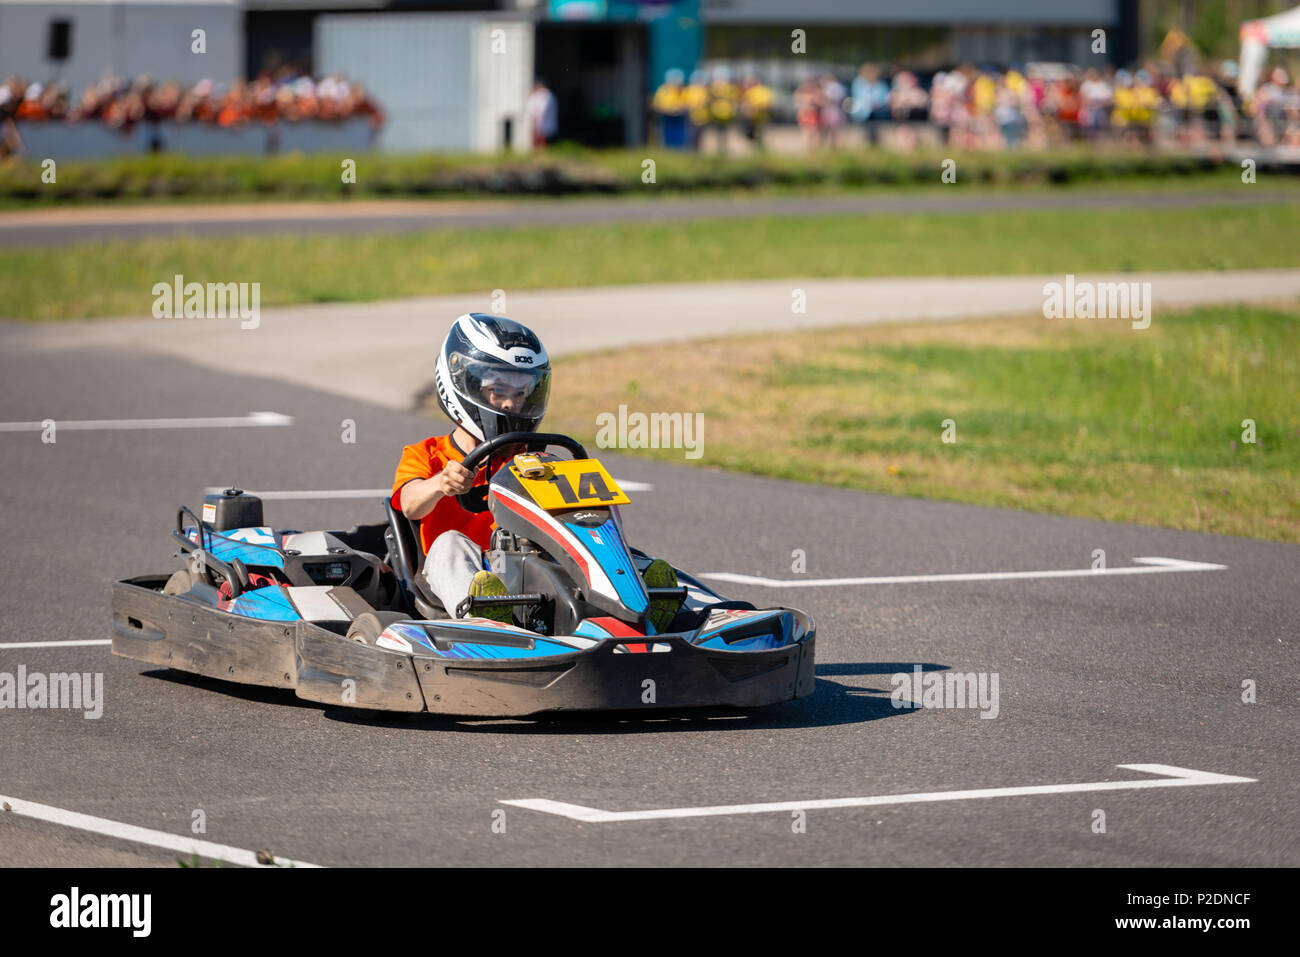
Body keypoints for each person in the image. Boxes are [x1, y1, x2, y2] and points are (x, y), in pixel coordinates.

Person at [391, 314, 682, 631]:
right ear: (465, 385)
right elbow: (409, 504)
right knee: (448, 544)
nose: (510, 404)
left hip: (523, 567)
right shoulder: (427, 453)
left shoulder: (533, 458)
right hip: (459, 571)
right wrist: (440, 484)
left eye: (520, 394)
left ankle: (643, 598)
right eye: (498, 390)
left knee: (599, 548)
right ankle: (484, 617)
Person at [525, 79, 557, 149]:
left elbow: (541, 109)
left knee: (541, 136)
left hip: (542, 120)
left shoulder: (545, 95)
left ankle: (542, 148)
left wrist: (537, 117)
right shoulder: (543, 95)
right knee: (538, 136)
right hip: (540, 120)